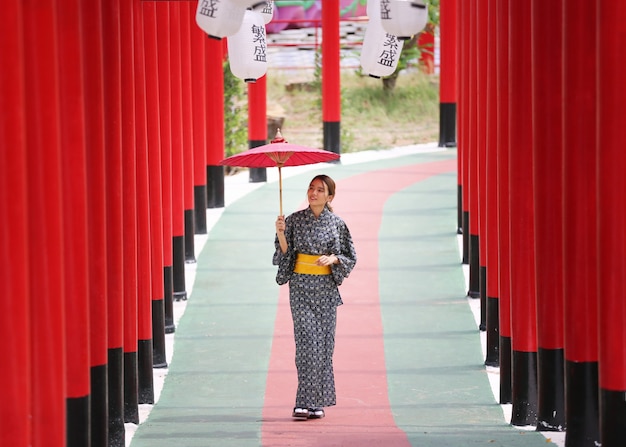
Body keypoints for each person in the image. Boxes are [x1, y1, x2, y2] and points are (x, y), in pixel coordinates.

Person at [273, 174, 357, 420]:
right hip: (300, 288)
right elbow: (284, 255)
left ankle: (316, 402)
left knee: (324, 346)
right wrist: (280, 233)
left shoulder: (337, 224)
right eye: (311, 188)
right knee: (307, 345)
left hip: (326, 291)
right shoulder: (294, 220)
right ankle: (303, 401)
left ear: (330, 196)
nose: (313, 193)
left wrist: (333, 259)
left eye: (320, 190)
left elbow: (349, 256)